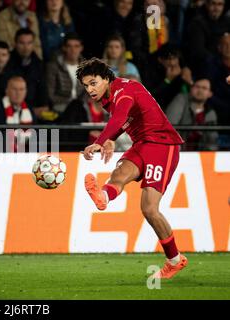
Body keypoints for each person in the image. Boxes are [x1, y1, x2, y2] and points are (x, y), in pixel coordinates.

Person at [77, 58, 187, 279]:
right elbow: (124, 120)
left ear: (106, 78)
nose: (90, 89)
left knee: (149, 209)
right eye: (86, 85)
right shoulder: (109, 96)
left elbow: (119, 117)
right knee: (118, 174)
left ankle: (175, 260)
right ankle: (103, 198)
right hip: (142, 144)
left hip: (161, 145)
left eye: (93, 83)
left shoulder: (124, 90)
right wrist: (112, 139)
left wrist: (100, 140)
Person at [166, 78, 219, 151]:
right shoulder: (181, 99)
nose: (200, 90)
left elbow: (212, 140)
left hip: (201, 155)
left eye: (204, 88)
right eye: (197, 86)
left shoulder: (210, 113)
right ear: (191, 88)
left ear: (210, 94)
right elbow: (170, 127)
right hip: (178, 151)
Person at [46, 33, 85, 115]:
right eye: (69, 46)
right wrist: (71, 102)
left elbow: (89, 93)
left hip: (81, 107)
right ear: (64, 48)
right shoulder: (54, 66)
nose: (73, 50)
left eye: (76, 46)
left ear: (81, 48)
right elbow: (50, 95)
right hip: (60, 107)